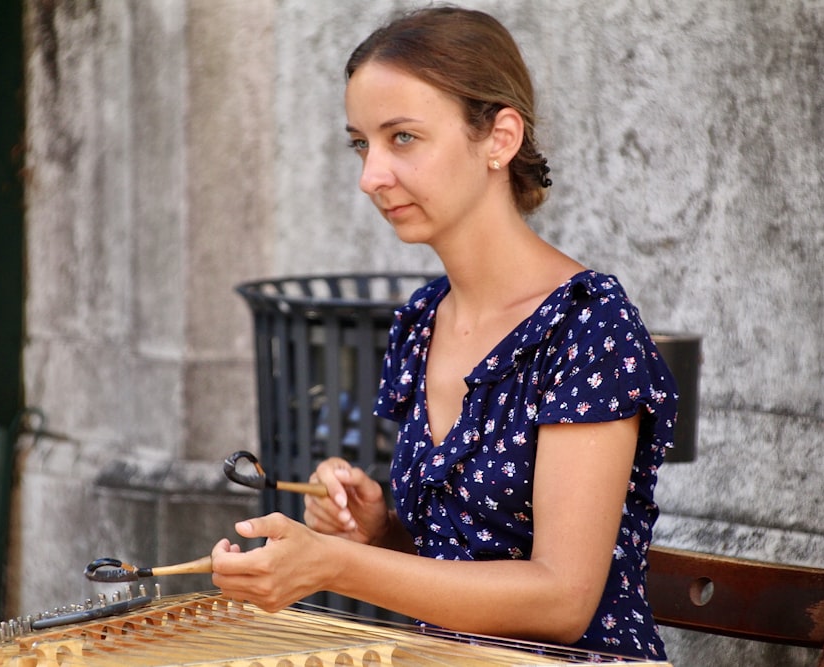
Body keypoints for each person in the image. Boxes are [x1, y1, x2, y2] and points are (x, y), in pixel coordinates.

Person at [211, 5, 677, 662]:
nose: (370, 175)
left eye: (402, 137)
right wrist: (378, 530)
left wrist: (336, 564)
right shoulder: (424, 317)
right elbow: (461, 561)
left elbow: (561, 600)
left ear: (499, 138)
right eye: (361, 143)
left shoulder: (587, 327)